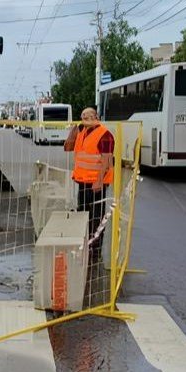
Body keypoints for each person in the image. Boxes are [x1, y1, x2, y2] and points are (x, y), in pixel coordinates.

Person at [64, 107, 114, 262]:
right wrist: (73, 130)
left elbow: (106, 159)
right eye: (83, 116)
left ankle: (95, 251)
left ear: (96, 117)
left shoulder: (105, 135)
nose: (86, 118)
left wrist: (99, 181)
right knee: (83, 214)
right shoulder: (81, 132)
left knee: (96, 217)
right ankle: (84, 245)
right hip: (83, 181)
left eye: (89, 116)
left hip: (97, 184)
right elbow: (67, 147)